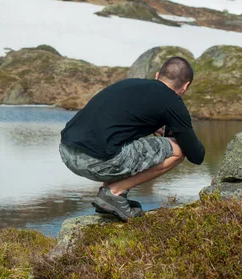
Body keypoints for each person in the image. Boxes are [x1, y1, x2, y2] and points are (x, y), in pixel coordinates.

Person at [59, 56, 205, 221]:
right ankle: (113, 193)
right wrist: (178, 133)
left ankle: (111, 198)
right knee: (178, 151)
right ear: (185, 87)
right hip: (97, 161)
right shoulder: (173, 103)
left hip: (67, 152)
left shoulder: (130, 84)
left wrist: (150, 126)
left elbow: (116, 122)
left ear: (157, 75)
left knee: (119, 143)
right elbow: (196, 155)